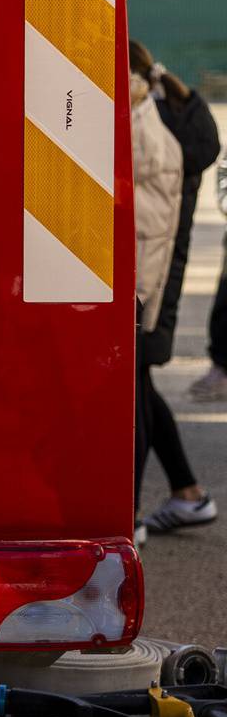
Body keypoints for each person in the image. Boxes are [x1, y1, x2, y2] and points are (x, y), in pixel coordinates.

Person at [127, 46, 212, 539]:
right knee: (141, 389)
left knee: (134, 394)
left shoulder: (150, 127)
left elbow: (145, 225)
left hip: (149, 283)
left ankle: (134, 512)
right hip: (161, 279)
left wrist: (138, 297)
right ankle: (187, 493)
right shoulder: (170, 117)